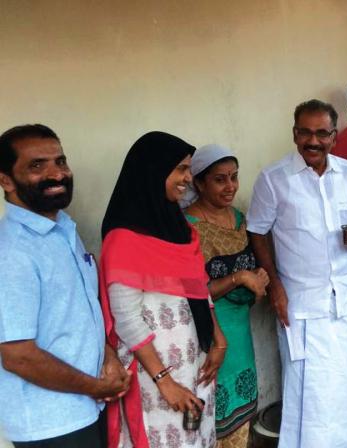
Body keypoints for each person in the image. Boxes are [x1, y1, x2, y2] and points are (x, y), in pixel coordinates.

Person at [247, 100, 347, 448]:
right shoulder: (274, 179)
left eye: (321, 133)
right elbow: (257, 231)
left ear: (333, 136)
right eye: (305, 132)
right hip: (301, 306)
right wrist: (275, 285)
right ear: (294, 134)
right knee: (310, 396)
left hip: (344, 302)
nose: (312, 141)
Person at [0, 124, 129, 448]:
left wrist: (109, 355)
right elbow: (18, 356)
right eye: (37, 166)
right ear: (5, 180)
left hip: (87, 406)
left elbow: (79, 314)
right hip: (51, 423)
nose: (57, 174)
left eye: (60, 161)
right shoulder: (12, 252)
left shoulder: (63, 230)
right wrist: (95, 387)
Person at [100, 131, 227, 448]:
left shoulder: (177, 226)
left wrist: (217, 336)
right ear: (153, 172)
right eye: (180, 169)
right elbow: (127, 318)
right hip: (154, 371)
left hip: (192, 358)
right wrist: (164, 381)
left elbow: (197, 286)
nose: (187, 178)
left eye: (188, 169)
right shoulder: (123, 237)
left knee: (196, 437)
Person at [183, 145, 269, 447]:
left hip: (240, 333)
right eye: (220, 179)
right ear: (199, 183)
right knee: (213, 418)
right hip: (210, 333)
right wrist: (238, 278)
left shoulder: (238, 218)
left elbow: (253, 263)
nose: (230, 186)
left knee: (241, 417)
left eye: (234, 177)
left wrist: (260, 275)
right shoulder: (187, 228)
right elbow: (189, 291)